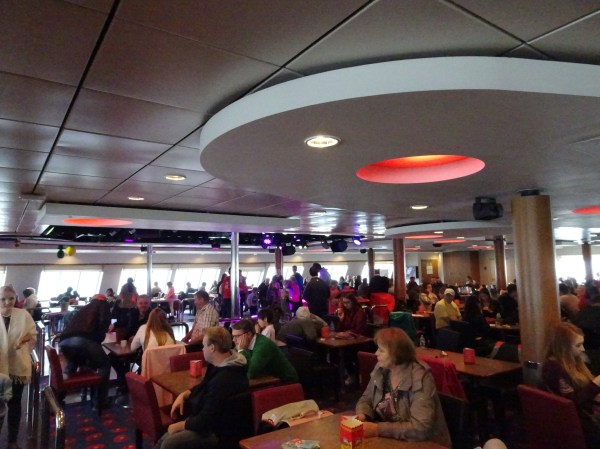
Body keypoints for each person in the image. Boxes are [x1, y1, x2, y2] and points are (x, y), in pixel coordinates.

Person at [154, 326, 249, 449]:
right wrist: (185, 393)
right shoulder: (223, 364)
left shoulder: (224, 380)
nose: (202, 349)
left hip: (217, 432)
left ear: (212, 347)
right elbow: (204, 386)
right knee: (165, 438)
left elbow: (206, 420)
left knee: (168, 442)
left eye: (204, 345)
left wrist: (180, 426)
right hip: (211, 422)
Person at [355, 327, 451, 446]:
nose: (376, 353)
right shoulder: (381, 369)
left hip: (425, 444)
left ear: (396, 354)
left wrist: (377, 429)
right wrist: (362, 415)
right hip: (391, 441)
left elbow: (420, 428)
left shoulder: (420, 376)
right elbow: (366, 398)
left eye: (381, 350)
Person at [542, 322, 600, 447]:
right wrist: (595, 385)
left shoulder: (573, 360)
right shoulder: (553, 368)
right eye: (578, 345)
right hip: (577, 422)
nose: (583, 349)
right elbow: (571, 402)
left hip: (585, 412)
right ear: (564, 347)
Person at [58, 293, 112, 410]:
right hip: (83, 340)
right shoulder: (103, 305)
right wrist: (99, 339)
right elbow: (103, 324)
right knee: (104, 364)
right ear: (103, 299)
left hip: (65, 341)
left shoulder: (84, 308)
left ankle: (58, 398)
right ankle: (100, 401)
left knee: (73, 363)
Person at [0, 285, 37, 449]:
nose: (7, 302)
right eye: (3, 299)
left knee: (15, 404)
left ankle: (12, 440)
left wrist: (22, 341)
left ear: (16, 298)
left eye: (11, 298)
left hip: (17, 366)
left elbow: (32, 335)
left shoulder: (23, 315)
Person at [232, 319, 298, 382]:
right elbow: (232, 358)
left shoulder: (263, 345)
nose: (234, 340)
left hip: (285, 381)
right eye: (233, 336)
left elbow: (251, 373)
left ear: (249, 334)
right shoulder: (245, 343)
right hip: (267, 378)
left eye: (237, 336)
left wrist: (242, 350)